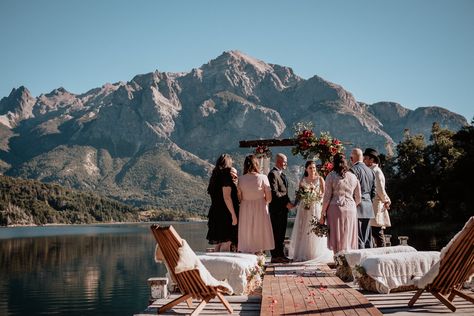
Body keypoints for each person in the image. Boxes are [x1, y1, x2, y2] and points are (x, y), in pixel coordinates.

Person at [288, 160, 334, 262]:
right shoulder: (303, 180)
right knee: (305, 229)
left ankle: (316, 252)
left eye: (314, 168)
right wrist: (295, 203)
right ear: (306, 169)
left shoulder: (320, 179)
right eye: (310, 168)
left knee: (315, 228)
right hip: (305, 208)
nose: (313, 170)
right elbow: (299, 195)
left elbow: (324, 194)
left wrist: (316, 196)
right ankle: (305, 253)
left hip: (316, 207)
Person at [320, 153, 361, 253]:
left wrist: (322, 213)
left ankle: (339, 262)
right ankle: (348, 261)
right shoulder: (353, 176)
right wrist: (352, 205)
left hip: (335, 208)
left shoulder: (331, 176)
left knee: (337, 236)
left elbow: (327, 197)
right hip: (351, 209)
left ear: (334, 162)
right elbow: (359, 197)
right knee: (348, 236)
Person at [237, 154, 275, 254]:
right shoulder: (263, 178)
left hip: (245, 209)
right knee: (260, 233)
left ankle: (248, 259)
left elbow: (240, 198)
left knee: (247, 233)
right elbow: (269, 198)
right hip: (260, 208)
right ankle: (260, 259)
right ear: (257, 164)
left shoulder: (240, 179)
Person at [206, 154, 238, 252]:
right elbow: (227, 197)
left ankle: (215, 266)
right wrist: (233, 215)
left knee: (218, 243)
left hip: (214, 213)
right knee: (227, 242)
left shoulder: (214, 176)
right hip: (225, 213)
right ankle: (224, 266)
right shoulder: (226, 175)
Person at [268, 153, 294, 263]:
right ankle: (275, 256)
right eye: (284, 161)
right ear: (278, 161)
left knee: (281, 233)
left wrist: (289, 203)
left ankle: (281, 254)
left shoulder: (282, 175)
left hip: (283, 210)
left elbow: (284, 192)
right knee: (276, 233)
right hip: (276, 210)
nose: (286, 163)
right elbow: (274, 193)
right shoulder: (273, 174)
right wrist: (285, 203)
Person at [363, 148, 391, 247]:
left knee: (377, 232)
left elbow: (380, 189)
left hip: (376, 205)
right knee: (373, 232)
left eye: (365, 158)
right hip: (370, 205)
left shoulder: (376, 171)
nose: (364, 160)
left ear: (371, 160)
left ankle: (382, 254)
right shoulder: (370, 170)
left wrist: (386, 200)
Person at [350, 148, 376, 249]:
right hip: (368, 206)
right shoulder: (371, 171)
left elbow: (351, 190)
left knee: (358, 237)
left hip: (357, 206)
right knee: (367, 237)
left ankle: (359, 263)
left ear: (352, 158)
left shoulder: (353, 170)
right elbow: (373, 192)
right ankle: (369, 261)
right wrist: (368, 202)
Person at [229, 167, 240, 251]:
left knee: (237, 236)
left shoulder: (239, 185)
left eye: (235, 175)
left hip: (238, 212)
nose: (234, 177)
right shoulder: (225, 185)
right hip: (228, 214)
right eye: (231, 174)